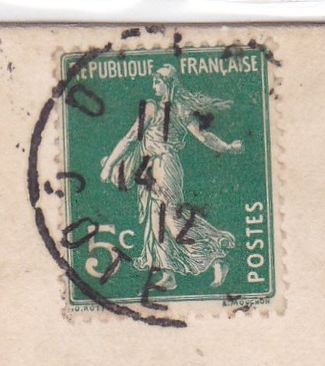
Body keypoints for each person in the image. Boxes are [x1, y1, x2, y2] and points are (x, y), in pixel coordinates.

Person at [99, 65, 243, 292]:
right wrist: (228, 147)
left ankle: (216, 257)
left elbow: (130, 139)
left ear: (169, 84)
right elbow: (203, 136)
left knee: (173, 221)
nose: (154, 86)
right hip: (151, 167)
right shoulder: (174, 108)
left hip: (164, 167)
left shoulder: (158, 108)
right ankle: (168, 274)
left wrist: (109, 165)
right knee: (156, 221)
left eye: (157, 82)